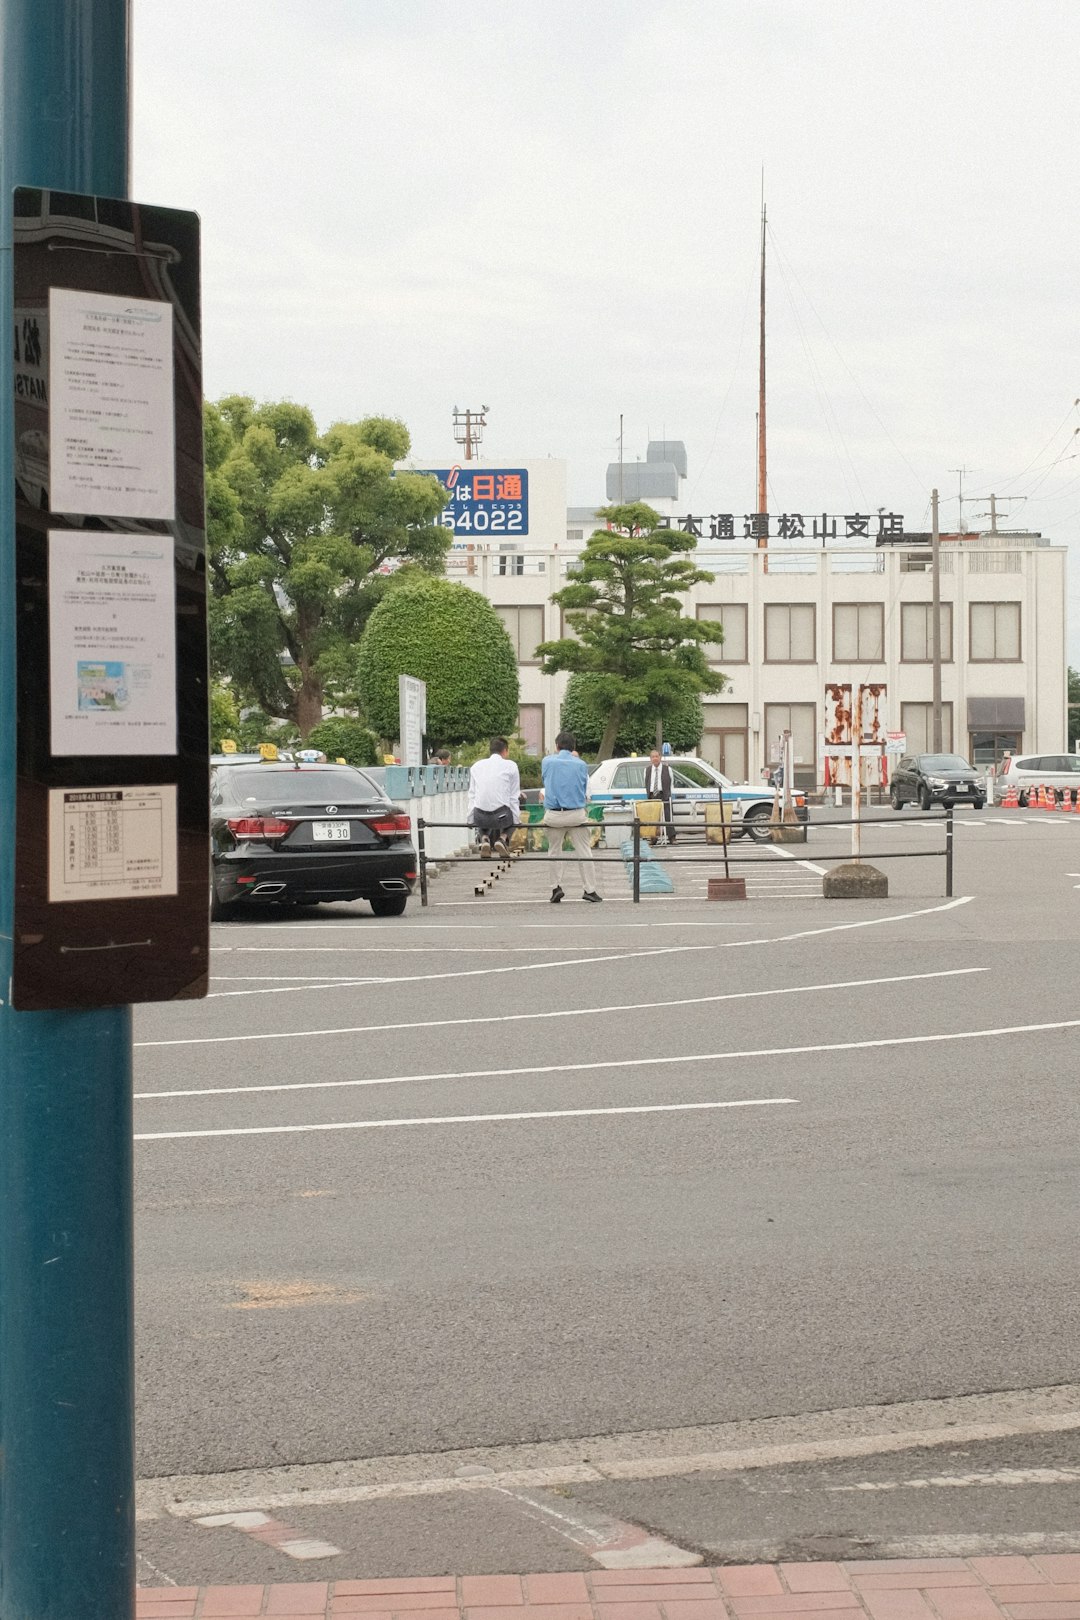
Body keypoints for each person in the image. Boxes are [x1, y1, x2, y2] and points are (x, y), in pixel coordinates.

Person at [540, 730, 601, 903]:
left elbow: (545, 780)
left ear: (557, 746)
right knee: (584, 852)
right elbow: (583, 787)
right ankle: (590, 889)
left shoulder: (547, 762)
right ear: (573, 747)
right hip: (576, 814)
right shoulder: (581, 765)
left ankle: (555, 887)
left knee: (554, 851)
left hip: (553, 815)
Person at [468, 737, 520, 858]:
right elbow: (514, 797)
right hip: (501, 817)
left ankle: (485, 839)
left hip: (480, 816)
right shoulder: (511, 766)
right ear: (505, 750)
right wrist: (517, 821)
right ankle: (502, 839)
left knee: (481, 811)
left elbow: (472, 795)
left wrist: (470, 819)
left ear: (490, 750)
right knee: (514, 817)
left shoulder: (476, 766)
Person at [644, 748, 676, 844]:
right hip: (652, 795)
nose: (655, 759)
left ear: (660, 757)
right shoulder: (647, 770)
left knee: (668, 816)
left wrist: (669, 795)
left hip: (664, 795)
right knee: (653, 817)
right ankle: (653, 838)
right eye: (653, 757)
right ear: (650, 759)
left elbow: (671, 783)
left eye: (656, 756)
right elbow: (646, 783)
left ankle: (672, 838)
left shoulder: (667, 769)